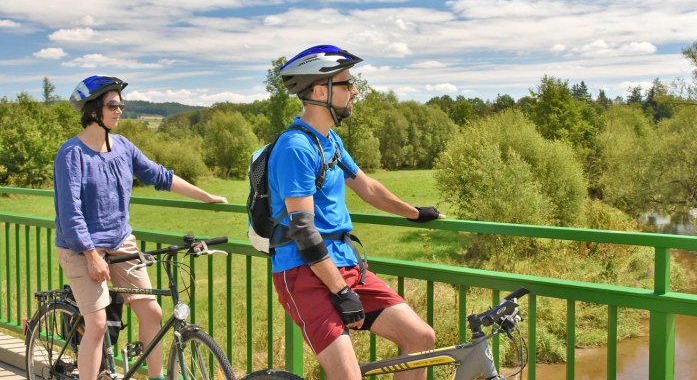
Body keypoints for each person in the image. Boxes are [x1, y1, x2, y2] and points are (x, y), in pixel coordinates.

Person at [267, 45, 444, 379]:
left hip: (343, 264)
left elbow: (368, 187)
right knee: (348, 376)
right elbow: (303, 230)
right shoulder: (295, 148)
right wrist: (341, 292)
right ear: (320, 91)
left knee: (420, 338)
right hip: (303, 271)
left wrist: (415, 213)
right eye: (346, 84)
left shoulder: (329, 140)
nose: (355, 91)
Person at [54, 75, 228, 380]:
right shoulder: (72, 154)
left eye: (121, 104)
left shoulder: (122, 147)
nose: (119, 110)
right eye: (112, 104)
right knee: (96, 324)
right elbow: (71, 215)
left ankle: (156, 377)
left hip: (121, 242)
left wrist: (206, 196)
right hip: (80, 247)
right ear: (93, 110)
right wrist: (92, 255)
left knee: (152, 312)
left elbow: (161, 176)